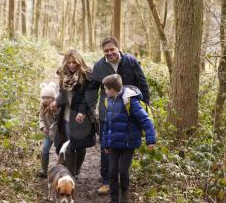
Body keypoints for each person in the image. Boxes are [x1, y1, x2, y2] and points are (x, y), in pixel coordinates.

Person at [87, 36, 150, 194]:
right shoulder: (99, 66)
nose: (109, 53)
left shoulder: (130, 62)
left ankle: (123, 180)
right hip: (106, 112)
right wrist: (89, 110)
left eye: (111, 49)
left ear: (118, 48)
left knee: (126, 142)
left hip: (128, 112)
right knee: (106, 146)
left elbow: (143, 83)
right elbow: (93, 90)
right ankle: (106, 181)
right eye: (106, 51)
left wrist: (145, 106)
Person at [101, 74, 156, 203]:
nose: (105, 91)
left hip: (128, 143)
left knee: (123, 171)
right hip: (114, 144)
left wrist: (151, 140)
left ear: (113, 89)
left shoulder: (130, 101)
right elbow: (107, 125)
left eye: (106, 88)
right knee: (113, 171)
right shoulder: (108, 100)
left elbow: (145, 120)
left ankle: (124, 197)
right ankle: (114, 199)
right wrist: (106, 144)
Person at [51, 49, 96, 177]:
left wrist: (82, 112)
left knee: (80, 145)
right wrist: (56, 102)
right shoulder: (63, 74)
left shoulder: (87, 76)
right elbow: (63, 94)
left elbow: (89, 97)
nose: (71, 65)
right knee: (68, 143)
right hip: (66, 114)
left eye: (74, 62)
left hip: (81, 115)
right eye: (69, 62)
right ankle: (70, 175)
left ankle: (76, 169)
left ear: (79, 62)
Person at [37, 82, 57, 178]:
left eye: (48, 98)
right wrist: (42, 127)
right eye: (43, 98)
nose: (45, 100)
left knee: (60, 151)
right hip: (48, 133)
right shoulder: (41, 106)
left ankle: (62, 169)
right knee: (44, 149)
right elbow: (40, 118)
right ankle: (43, 170)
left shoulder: (55, 107)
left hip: (57, 133)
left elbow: (59, 120)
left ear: (53, 98)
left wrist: (54, 110)